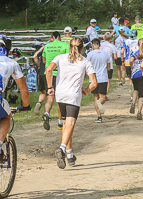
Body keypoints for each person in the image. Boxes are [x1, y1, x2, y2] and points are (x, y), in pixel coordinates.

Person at [47, 38, 97, 169]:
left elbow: (48, 70)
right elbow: (94, 83)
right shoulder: (85, 61)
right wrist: (87, 90)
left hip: (60, 94)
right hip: (73, 95)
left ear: (70, 47)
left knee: (65, 124)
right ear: (82, 49)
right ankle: (62, 148)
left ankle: (69, 154)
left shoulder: (60, 57)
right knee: (70, 123)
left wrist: (49, 87)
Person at [35, 32, 69, 130]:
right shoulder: (65, 45)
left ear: (52, 38)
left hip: (48, 74)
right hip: (60, 74)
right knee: (60, 99)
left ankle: (46, 113)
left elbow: (44, 61)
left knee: (50, 96)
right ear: (59, 37)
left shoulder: (47, 46)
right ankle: (60, 122)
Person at [86, 39, 111, 123]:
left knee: (95, 97)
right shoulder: (105, 54)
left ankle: (99, 117)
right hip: (103, 77)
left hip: (93, 78)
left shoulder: (90, 54)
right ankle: (100, 103)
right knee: (102, 97)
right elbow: (108, 68)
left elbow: (87, 66)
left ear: (92, 45)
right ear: (99, 45)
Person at [129, 39, 143, 120]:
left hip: (134, 74)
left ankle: (133, 103)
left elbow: (131, 60)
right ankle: (139, 111)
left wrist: (131, 67)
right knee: (141, 93)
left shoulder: (134, 53)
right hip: (142, 74)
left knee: (136, 89)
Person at [122, 29, 139, 103]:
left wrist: (122, 61)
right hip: (136, 61)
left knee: (130, 80)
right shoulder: (139, 41)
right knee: (138, 79)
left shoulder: (126, 41)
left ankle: (132, 97)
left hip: (128, 62)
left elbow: (122, 51)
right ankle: (138, 94)